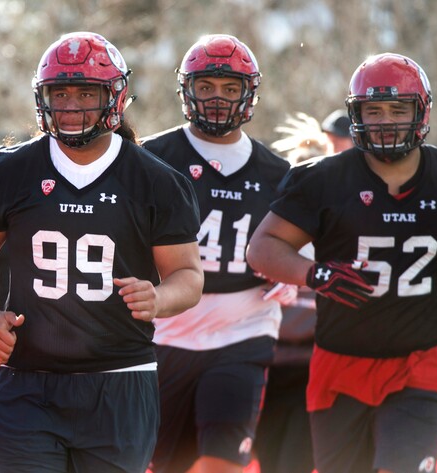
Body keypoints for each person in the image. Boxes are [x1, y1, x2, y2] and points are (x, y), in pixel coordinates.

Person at [0, 31, 204, 473]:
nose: (71, 105)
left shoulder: (156, 181)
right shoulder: (12, 170)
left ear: (115, 97)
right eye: (60, 92)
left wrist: (160, 298)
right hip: (27, 380)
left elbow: (188, 276)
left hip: (120, 381)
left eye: (86, 92)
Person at [247, 52, 437, 473]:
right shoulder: (323, 179)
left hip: (426, 361)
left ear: (421, 112)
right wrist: (314, 273)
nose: (386, 120)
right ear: (355, 115)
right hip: (340, 365)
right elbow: (263, 247)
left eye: (398, 109)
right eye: (373, 110)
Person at [141, 34, 290, 473]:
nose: (218, 98)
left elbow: (297, 239)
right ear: (187, 90)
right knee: (161, 463)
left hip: (242, 328)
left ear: (249, 94)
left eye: (230, 88)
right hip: (162, 330)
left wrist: (288, 266)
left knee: (221, 460)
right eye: (206, 86)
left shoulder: (277, 173)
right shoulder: (151, 156)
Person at [255, 112, 334, 473]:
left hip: (314, 368)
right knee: (271, 461)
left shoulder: (340, 227)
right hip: (267, 366)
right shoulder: (268, 232)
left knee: (294, 463)